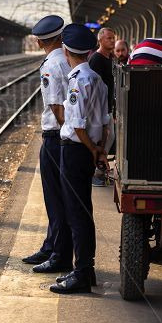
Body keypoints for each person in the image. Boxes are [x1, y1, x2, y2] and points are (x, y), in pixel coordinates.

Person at [49, 23, 109, 295]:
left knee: (76, 213)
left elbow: (77, 126)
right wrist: (99, 149)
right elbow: (105, 121)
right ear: (88, 51)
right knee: (84, 210)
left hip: (74, 152)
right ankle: (86, 269)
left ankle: (82, 273)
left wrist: (89, 147)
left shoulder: (77, 81)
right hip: (89, 150)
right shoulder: (97, 78)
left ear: (65, 49)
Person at [22, 15, 73, 273]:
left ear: (39, 41)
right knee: (57, 197)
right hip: (60, 136)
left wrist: (67, 134)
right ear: (60, 37)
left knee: (55, 198)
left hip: (56, 137)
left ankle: (59, 256)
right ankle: (51, 245)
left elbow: (55, 106)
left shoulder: (51, 65)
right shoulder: (64, 59)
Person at [89, 27, 115, 186]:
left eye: (113, 38)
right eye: (109, 38)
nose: (112, 40)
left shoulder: (110, 58)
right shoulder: (96, 59)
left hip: (108, 107)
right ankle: (96, 172)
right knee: (101, 139)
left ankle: (100, 169)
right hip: (99, 108)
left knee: (109, 137)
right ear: (100, 40)